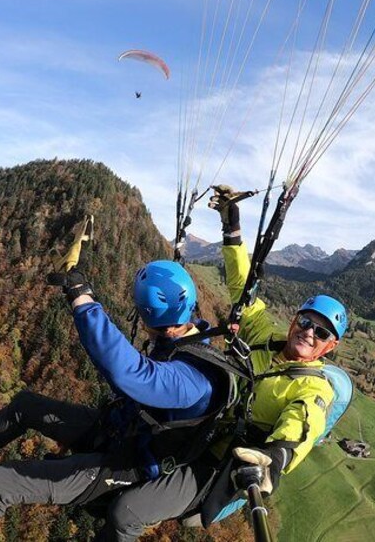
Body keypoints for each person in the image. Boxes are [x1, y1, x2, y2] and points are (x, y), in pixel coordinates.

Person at [0, 260, 232, 542]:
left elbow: (130, 374)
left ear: (158, 321)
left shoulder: (192, 381)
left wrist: (84, 303)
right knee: (27, 404)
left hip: (123, 467)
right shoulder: (182, 340)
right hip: (118, 430)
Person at [97, 185, 348, 541]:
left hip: (216, 460)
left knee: (125, 513)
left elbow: (300, 428)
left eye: (320, 333)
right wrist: (232, 230)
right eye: (306, 322)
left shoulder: (312, 388)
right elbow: (243, 288)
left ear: (330, 347)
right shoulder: (263, 333)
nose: (309, 333)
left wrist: (275, 458)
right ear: (294, 320)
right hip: (197, 422)